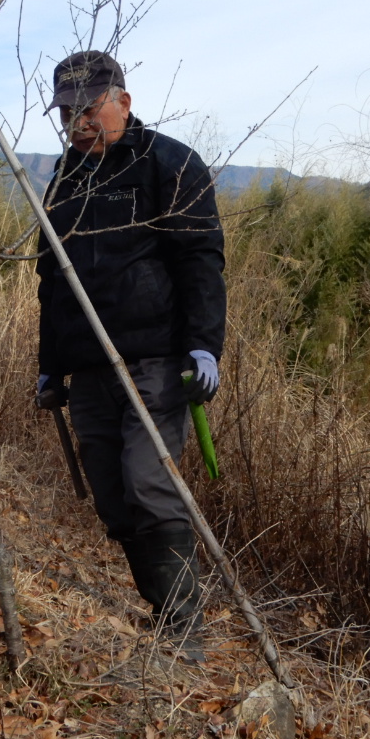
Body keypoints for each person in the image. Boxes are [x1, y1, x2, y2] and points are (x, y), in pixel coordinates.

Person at [35, 51, 225, 662]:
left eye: (90, 107)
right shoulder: (64, 180)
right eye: (68, 112)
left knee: (149, 481)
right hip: (88, 365)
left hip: (155, 359)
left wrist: (203, 345)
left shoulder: (168, 164)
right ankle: (161, 608)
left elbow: (201, 259)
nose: (79, 121)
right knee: (114, 499)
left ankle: (184, 627)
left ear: (123, 100)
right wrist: (49, 362)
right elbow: (50, 279)